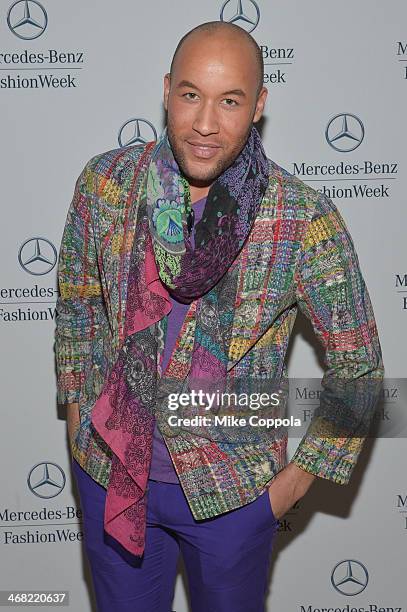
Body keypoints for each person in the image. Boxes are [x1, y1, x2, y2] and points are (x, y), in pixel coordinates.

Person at [54, 20, 384, 612]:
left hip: (233, 496)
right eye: (190, 95)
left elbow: (359, 369)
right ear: (166, 91)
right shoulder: (105, 183)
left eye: (230, 101)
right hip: (110, 475)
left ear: (258, 105)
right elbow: (79, 302)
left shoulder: (302, 219)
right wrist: (80, 415)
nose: (206, 124)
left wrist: (289, 488)